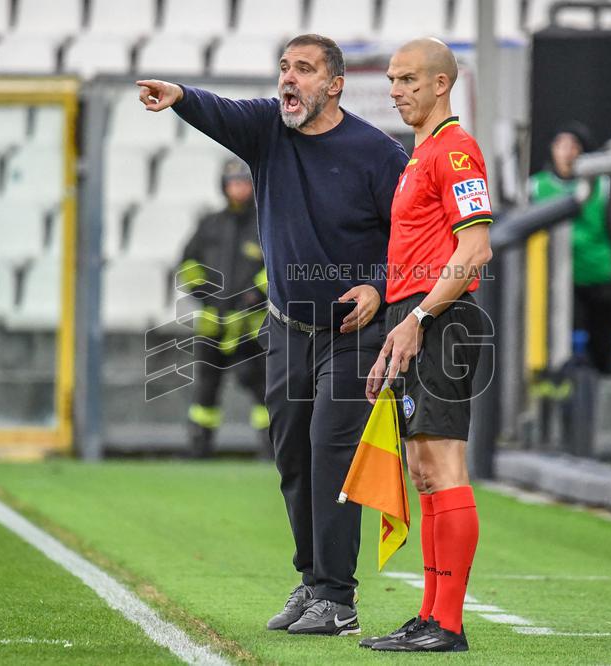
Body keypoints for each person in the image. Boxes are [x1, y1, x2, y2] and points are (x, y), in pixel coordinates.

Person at [138, 33, 409, 635]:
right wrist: (180, 95)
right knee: (292, 456)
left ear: (334, 85)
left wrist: (378, 287)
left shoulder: (378, 154)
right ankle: (312, 581)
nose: (289, 77)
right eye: (285, 67)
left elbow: (412, 237)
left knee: (330, 451)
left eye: (305, 69)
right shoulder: (267, 130)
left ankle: (337, 599)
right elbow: (221, 111)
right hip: (286, 330)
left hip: (352, 336)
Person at [360, 38, 492, 653]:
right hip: (417, 317)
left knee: (443, 466)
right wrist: (399, 323)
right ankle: (430, 616)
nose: (395, 91)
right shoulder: (421, 155)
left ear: (442, 84)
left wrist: (417, 317)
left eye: (408, 79)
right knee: (422, 470)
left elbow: (475, 251)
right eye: (392, 79)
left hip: (443, 319)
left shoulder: (456, 151)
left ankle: (449, 625)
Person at [176, 158, 270, 459]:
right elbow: (188, 263)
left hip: (251, 325)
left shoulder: (265, 223)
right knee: (206, 386)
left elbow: (277, 267)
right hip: (212, 322)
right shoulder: (210, 224)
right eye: (233, 183)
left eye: (243, 182)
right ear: (224, 186)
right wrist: (203, 292)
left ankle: (270, 447)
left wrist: (256, 293)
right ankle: (199, 445)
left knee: (261, 385)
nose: (238, 188)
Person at [529, 122, 611, 373]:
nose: (567, 152)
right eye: (561, 145)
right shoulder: (535, 187)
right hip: (550, 279)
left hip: (596, 277)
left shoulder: (602, 185)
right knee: (548, 339)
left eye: (573, 146)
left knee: (600, 342)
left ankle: (598, 380)